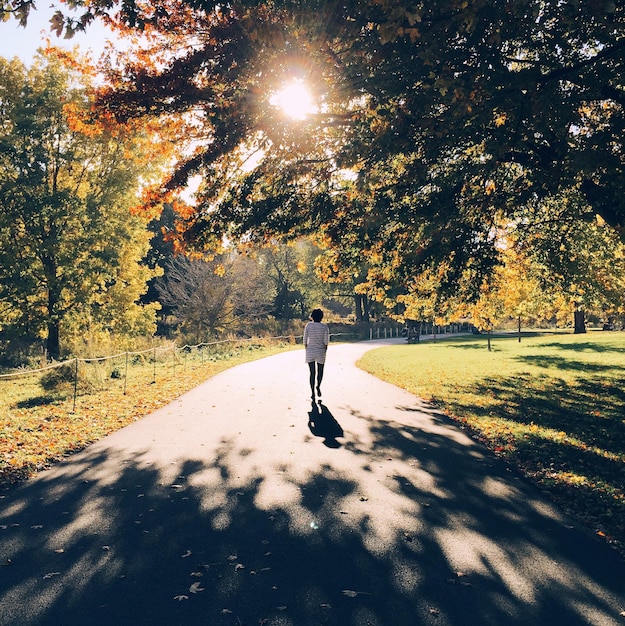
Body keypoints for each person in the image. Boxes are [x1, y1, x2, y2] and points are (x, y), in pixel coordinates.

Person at [303, 308, 329, 400]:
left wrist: (306, 347)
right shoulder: (324, 327)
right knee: (320, 371)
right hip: (320, 350)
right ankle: (318, 386)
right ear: (321, 317)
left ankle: (312, 392)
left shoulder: (308, 325)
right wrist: (325, 348)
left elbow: (305, 338)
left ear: (312, 316)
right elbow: (326, 340)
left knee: (312, 373)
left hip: (310, 350)